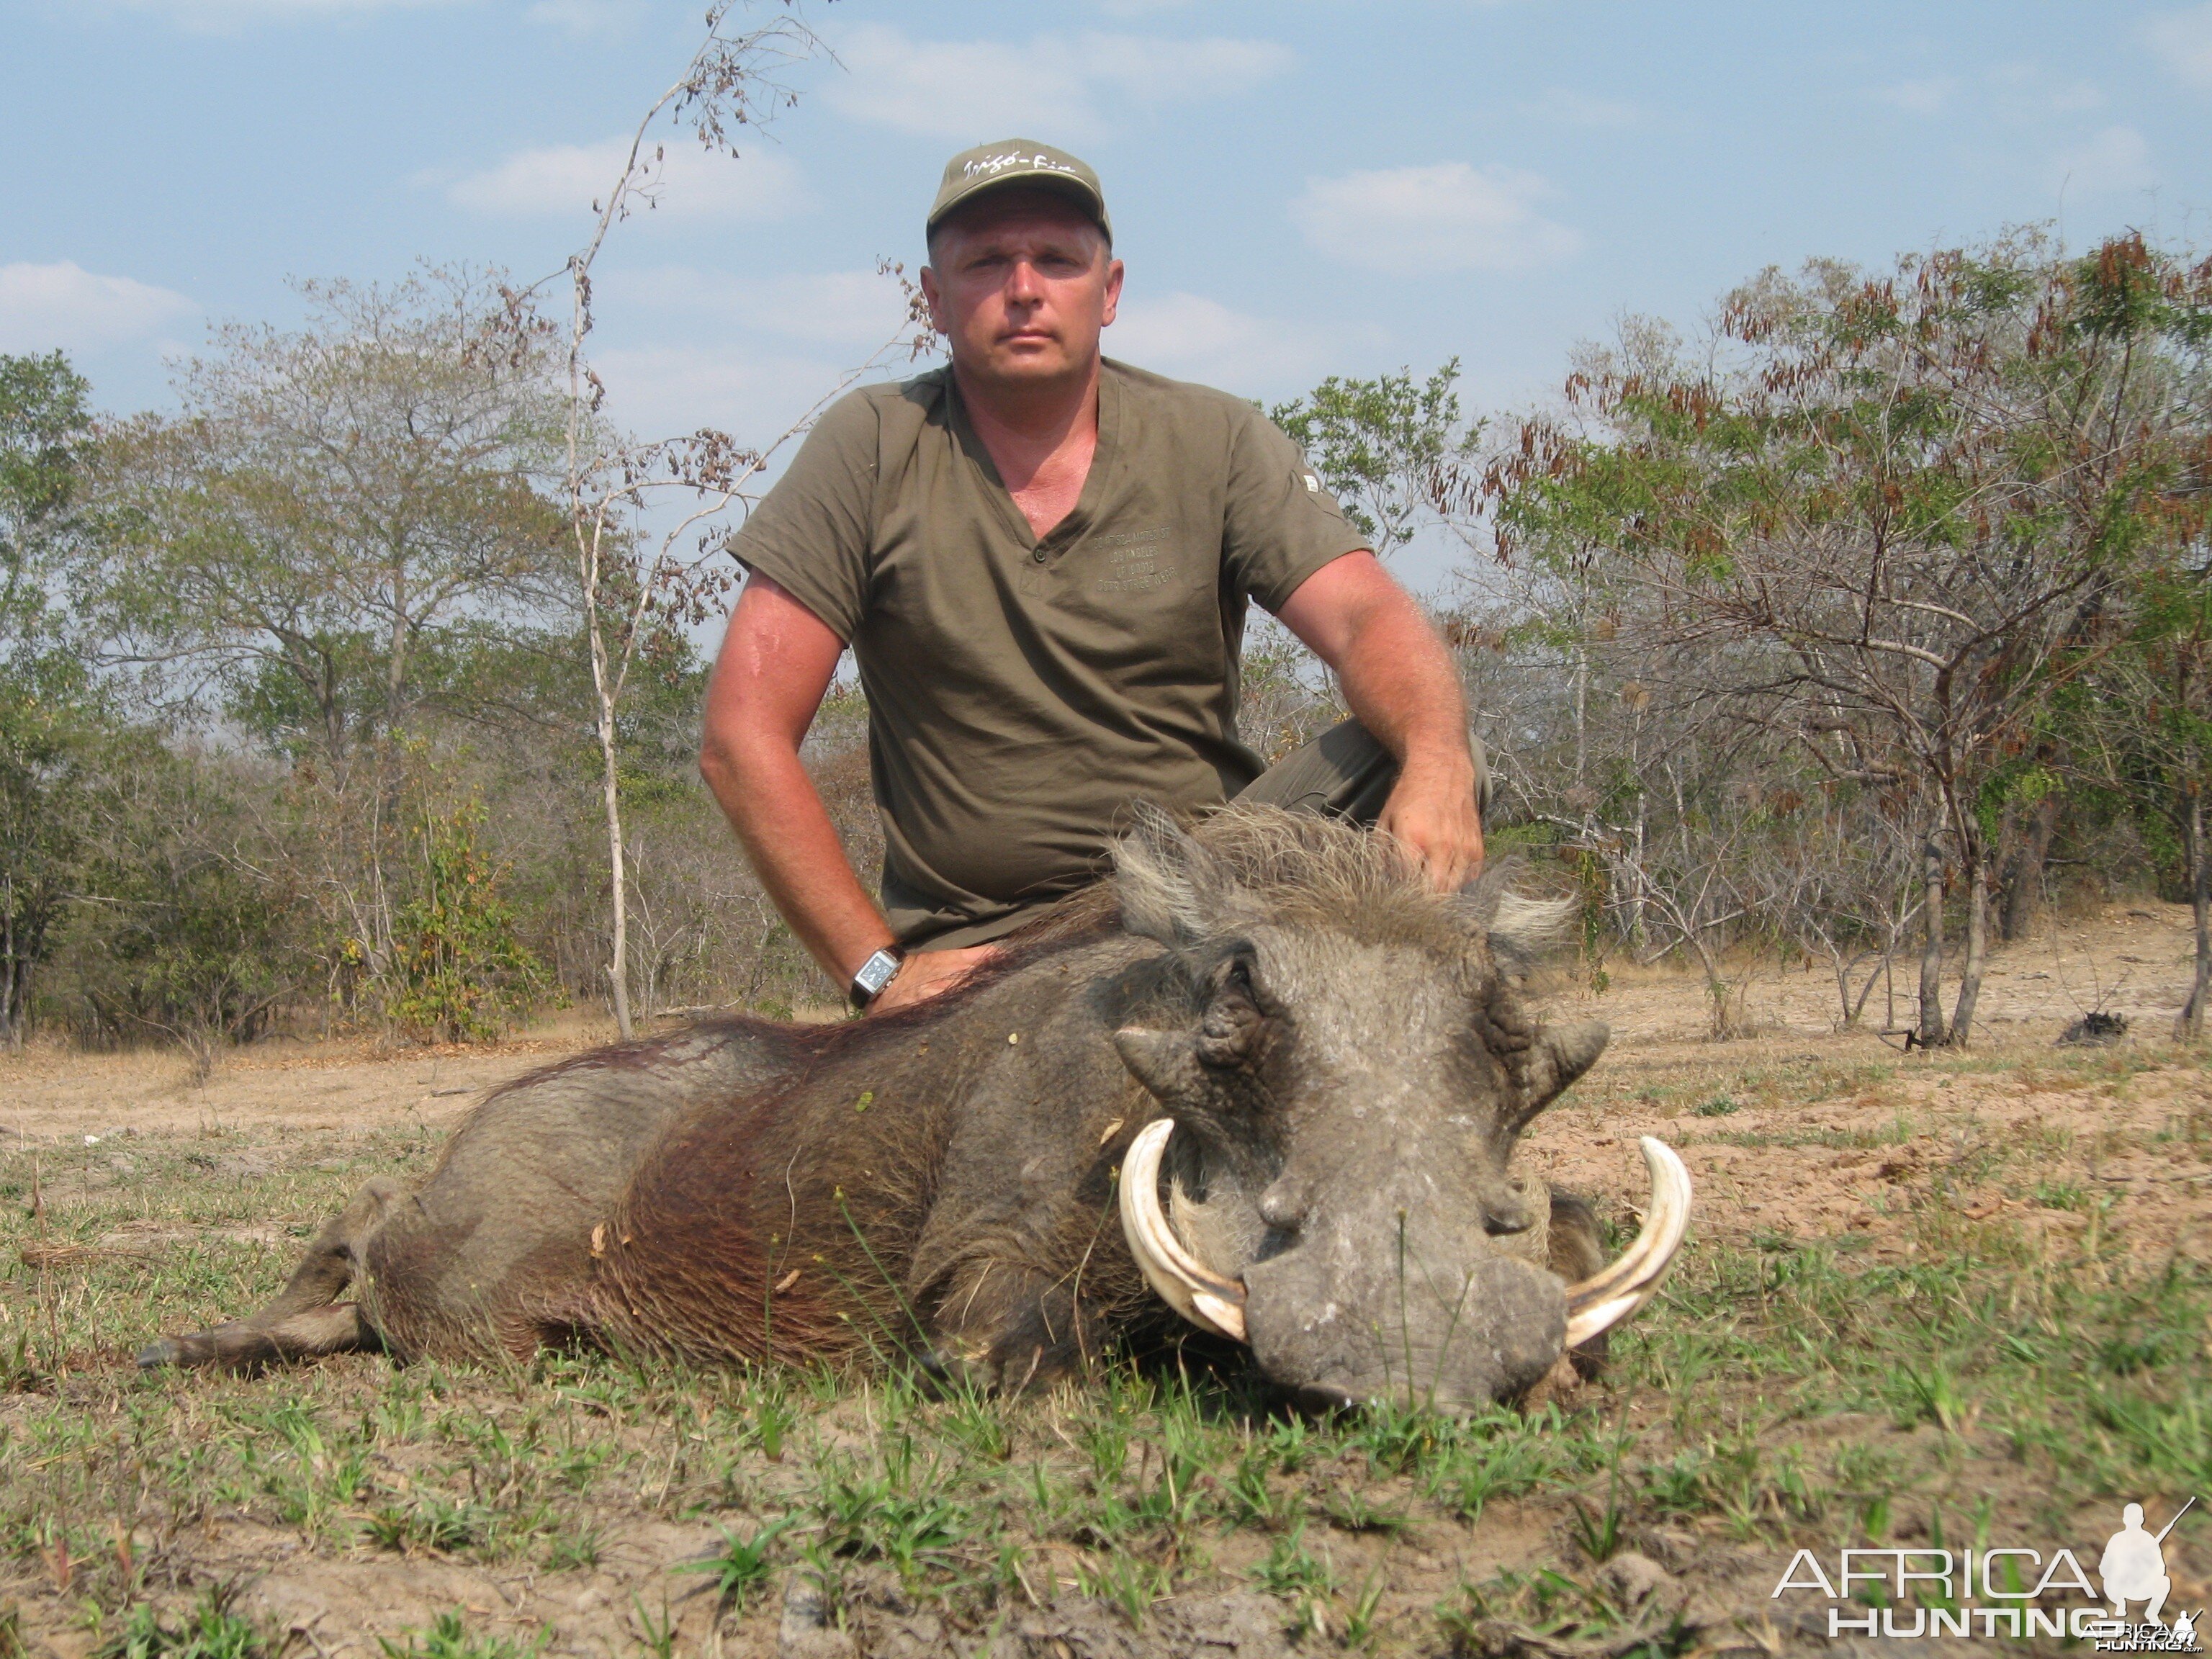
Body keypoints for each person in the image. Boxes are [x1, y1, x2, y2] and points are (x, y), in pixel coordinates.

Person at [700, 139, 1488, 1015]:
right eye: (987, 263)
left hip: (1203, 889)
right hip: (980, 934)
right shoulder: (870, 445)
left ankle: (1397, 1041)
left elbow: (1363, 615)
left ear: (1109, 292)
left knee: (1429, 749)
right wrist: (878, 970)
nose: (1025, 288)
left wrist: (1438, 760)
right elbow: (743, 732)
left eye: (1058, 261)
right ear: (934, 299)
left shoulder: (1214, 436)